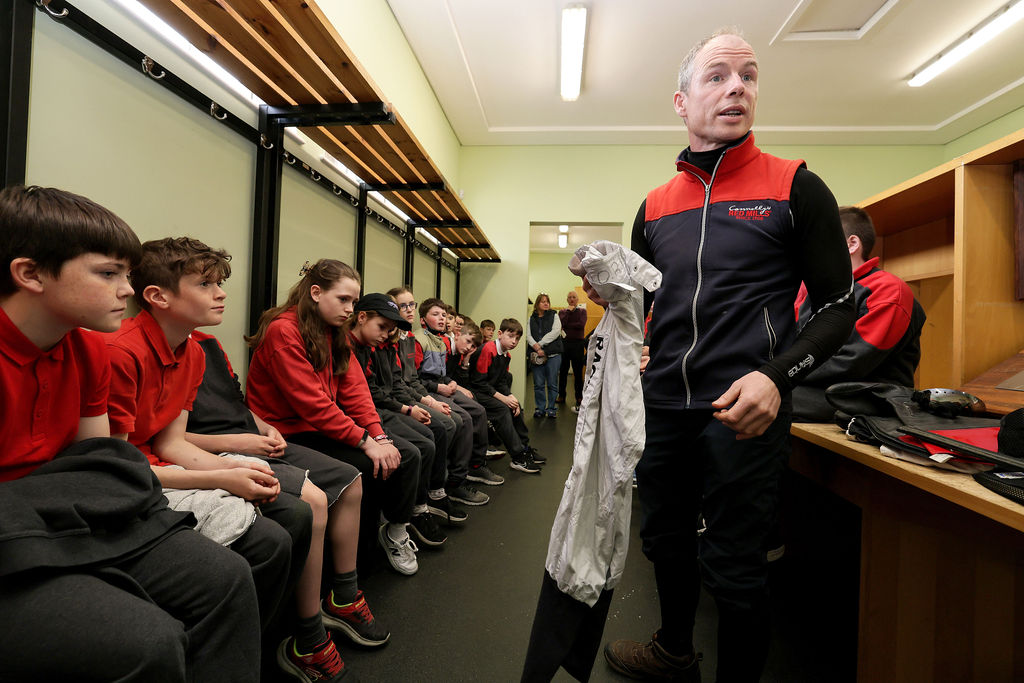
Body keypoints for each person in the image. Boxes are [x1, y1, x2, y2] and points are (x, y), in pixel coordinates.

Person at [600, 29, 856, 683]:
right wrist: (620, 316)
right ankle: (674, 649)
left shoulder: (796, 186)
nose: (737, 85)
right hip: (663, 407)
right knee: (665, 544)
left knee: (736, 568)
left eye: (748, 74)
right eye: (717, 76)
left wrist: (776, 378)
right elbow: (643, 310)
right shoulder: (654, 207)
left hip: (743, 409)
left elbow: (837, 306)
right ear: (682, 103)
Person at [0, 185, 261, 681]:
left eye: (127, 273)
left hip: (65, 514)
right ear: (30, 273)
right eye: (108, 273)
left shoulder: (89, 350)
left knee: (227, 579)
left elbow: (100, 465)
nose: (127, 288)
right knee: (144, 641)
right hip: (21, 529)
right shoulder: (118, 349)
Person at [104, 237, 297, 634]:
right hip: (133, 479)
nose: (221, 294)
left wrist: (242, 471)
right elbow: (118, 469)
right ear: (158, 296)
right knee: (269, 540)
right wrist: (220, 476)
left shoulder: (192, 353)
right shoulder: (121, 352)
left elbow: (170, 443)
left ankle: (264, 638)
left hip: (159, 467)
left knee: (290, 508)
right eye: (205, 285)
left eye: (218, 284)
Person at [185, 327, 390, 680]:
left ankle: (343, 595)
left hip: (252, 437)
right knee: (311, 502)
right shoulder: (147, 349)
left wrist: (263, 428)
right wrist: (245, 441)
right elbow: (166, 438)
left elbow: (239, 402)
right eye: (205, 284)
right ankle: (308, 635)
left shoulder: (207, 341)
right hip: (225, 446)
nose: (220, 293)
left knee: (351, 479)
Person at [246, 259, 422, 577]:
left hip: (314, 427)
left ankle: (365, 552)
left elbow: (355, 391)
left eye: (353, 302)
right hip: (284, 433)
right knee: (364, 466)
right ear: (315, 292)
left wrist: (378, 436)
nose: (349, 309)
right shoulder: (283, 331)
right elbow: (311, 404)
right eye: (343, 299)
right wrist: (365, 441)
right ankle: (343, 571)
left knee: (396, 456)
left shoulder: (334, 332)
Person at [792, 205, 927, 421]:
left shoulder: (888, 290)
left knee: (763, 400)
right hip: (816, 387)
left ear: (852, 244)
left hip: (870, 397)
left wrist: (783, 374)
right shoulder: (814, 291)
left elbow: (851, 362)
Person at [346, 292, 449, 547]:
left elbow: (395, 385)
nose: (386, 333)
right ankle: (399, 522)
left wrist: (421, 403)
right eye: (383, 327)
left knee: (435, 433)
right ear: (361, 317)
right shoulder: (349, 346)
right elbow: (369, 394)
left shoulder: (375, 346)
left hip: (375, 410)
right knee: (416, 449)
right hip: (370, 412)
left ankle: (421, 503)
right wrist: (399, 414)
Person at [470, 317, 546, 474]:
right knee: (502, 410)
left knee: (515, 405)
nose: (514, 341)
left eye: (517, 338)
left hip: (488, 390)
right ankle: (517, 457)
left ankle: (524, 447)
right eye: (510, 336)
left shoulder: (506, 356)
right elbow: (478, 382)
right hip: (476, 391)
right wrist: (503, 398)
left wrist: (510, 397)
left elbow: (501, 382)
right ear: (500, 334)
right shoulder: (488, 349)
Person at [527, 293, 564, 418]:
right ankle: (540, 409)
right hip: (537, 355)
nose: (546, 303)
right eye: (543, 301)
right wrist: (536, 347)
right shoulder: (531, 318)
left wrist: (541, 344)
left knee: (552, 383)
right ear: (537, 304)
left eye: (547, 301)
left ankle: (552, 409)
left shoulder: (554, 315)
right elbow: (528, 336)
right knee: (538, 384)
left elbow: (556, 332)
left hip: (553, 355)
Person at [557, 290, 587, 413]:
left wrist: (568, 324)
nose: (572, 299)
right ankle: (562, 395)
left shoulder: (582, 312)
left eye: (574, 297)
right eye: (569, 297)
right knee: (563, 372)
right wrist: (568, 313)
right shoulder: (562, 312)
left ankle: (579, 397)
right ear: (567, 299)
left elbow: (581, 325)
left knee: (578, 372)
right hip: (564, 344)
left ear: (577, 299)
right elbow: (561, 324)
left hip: (578, 345)